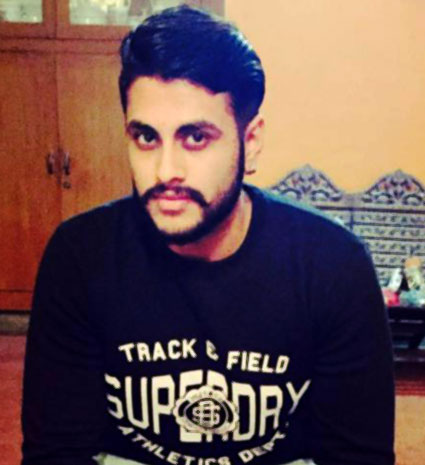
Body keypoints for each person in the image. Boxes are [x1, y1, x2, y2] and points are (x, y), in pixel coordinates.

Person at [21, 5, 395, 465]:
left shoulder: (333, 266)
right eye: (146, 137)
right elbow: (55, 454)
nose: (165, 171)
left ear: (250, 142)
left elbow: (357, 458)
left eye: (196, 138)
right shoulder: (81, 257)